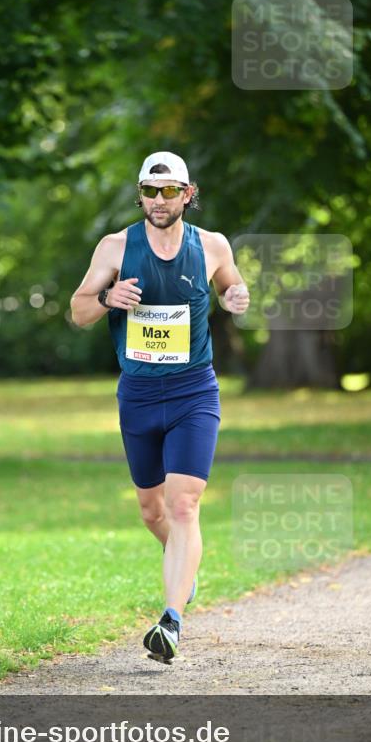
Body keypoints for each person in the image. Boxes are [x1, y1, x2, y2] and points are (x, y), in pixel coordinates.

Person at [70, 151, 250, 663]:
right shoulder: (116, 246)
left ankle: (170, 620)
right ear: (141, 194)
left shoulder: (211, 245)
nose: (159, 200)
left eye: (170, 191)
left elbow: (232, 285)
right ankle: (184, 567)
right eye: (151, 191)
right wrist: (107, 300)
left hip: (195, 392)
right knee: (152, 511)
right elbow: (77, 309)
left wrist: (237, 297)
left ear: (187, 194)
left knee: (183, 504)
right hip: (139, 394)